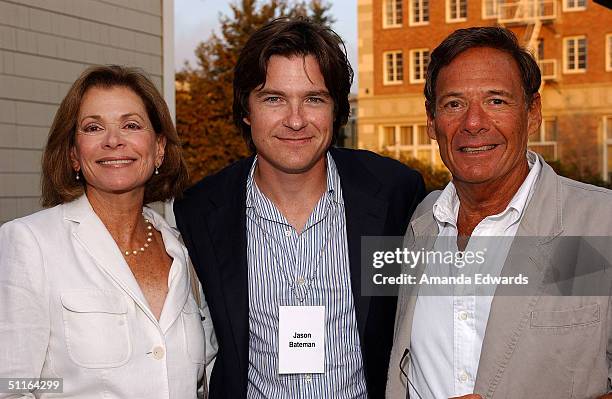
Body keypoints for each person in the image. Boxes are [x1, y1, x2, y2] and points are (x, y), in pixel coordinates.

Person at [174, 17, 425, 399]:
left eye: (314, 99)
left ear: (336, 111)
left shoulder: (395, 194)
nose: (295, 120)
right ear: (246, 110)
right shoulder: (200, 211)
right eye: (273, 98)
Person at [386, 27, 612, 399]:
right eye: (454, 103)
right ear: (431, 121)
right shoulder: (422, 221)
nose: (473, 123)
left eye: (496, 101)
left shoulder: (598, 225)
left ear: (532, 113)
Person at [0, 65, 216, 399]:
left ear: (159, 148)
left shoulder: (183, 250)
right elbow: (11, 386)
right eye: (93, 127)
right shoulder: (31, 243)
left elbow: (205, 376)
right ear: (74, 153)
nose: (113, 141)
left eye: (131, 125)